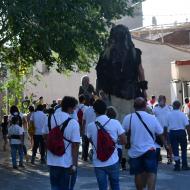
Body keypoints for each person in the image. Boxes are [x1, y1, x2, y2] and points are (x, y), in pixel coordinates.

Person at [96, 24, 148, 122]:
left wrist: (100, 89)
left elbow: (99, 72)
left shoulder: (105, 54)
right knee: (130, 121)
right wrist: (144, 90)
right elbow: (141, 71)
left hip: (111, 93)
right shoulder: (135, 53)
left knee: (113, 121)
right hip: (131, 92)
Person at [122, 97, 165, 190]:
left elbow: (122, 133)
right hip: (150, 149)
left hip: (134, 151)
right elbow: (160, 133)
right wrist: (167, 145)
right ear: (145, 106)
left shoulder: (128, 118)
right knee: (151, 173)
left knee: (138, 173)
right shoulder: (152, 118)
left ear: (134, 107)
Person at [87, 99, 126, 190]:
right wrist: (114, 142)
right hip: (113, 159)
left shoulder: (90, 126)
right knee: (115, 185)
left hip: (98, 162)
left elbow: (91, 141)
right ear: (106, 110)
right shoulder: (115, 123)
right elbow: (124, 141)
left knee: (102, 188)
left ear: (94, 111)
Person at [43, 96, 80, 190]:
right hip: (66, 162)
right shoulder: (73, 123)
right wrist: (75, 164)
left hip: (52, 160)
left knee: (54, 187)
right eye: (74, 107)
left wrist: (53, 143)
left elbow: (45, 136)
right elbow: (75, 145)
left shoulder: (49, 118)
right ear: (69, 108)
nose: (74, 109)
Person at [166, 100, 190, 171]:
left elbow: (165, 126)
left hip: (172, 133)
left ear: (173, 106)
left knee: (175, 150)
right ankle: (184, 165)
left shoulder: (168, 114)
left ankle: (177, 165)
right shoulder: (182, 114)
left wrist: (166, 136)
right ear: (179, 106)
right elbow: (187, 126)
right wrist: (189, 135)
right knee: (183, 150)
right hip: (181, 132)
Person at [153, 95, 172, 164]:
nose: (159, 101)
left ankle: (169, 158)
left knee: (168, 144)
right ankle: (159, 157)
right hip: (158, 130)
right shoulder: (155, 109)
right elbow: (152, 118)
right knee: (157, 145)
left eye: (160, 99)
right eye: (159, 99)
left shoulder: (169, 108)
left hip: (167, 130)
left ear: (164, 100)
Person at [82, 97, 96, 161]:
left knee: (85, 145)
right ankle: (94, 156)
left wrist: (82, 128)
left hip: (86, 130)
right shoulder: (96, 110)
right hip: (94, 130)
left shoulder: (86, 110)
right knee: (94, 144)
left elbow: (84, 121)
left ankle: (85, 157)